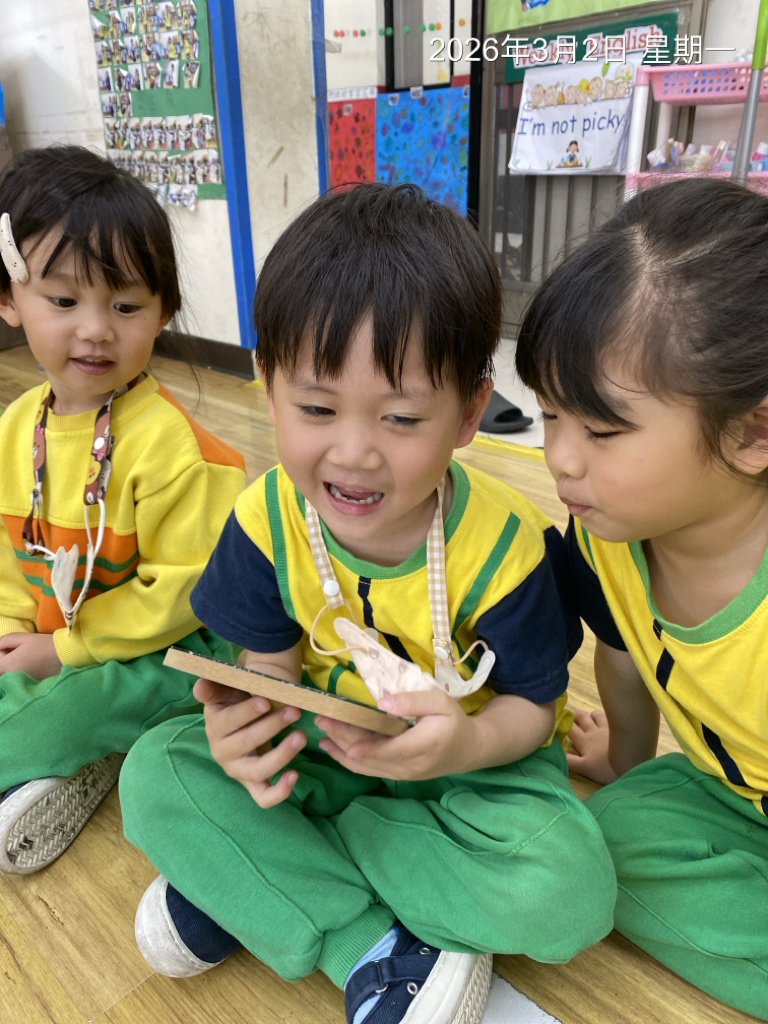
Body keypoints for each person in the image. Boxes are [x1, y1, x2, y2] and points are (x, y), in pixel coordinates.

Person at [120, 183, 616, 1024]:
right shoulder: (266, 519)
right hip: (329, 748)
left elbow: (533, 711)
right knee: (156, 772)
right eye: (316, 408)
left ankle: (269, 875)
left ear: (469, 413)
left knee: (569, 893)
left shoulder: (509, 548)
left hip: (473, 770)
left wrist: (466, 743)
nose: (353, 453)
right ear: (267, 385)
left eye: (400, 418)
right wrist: (246, 731)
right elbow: (268, 671)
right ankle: (368, 941)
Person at [514, 176, 768, 1021]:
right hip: (728, 790)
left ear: (753, 431)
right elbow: (621, 653)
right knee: (599, 842)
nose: (561, 458)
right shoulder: (607, 538)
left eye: (601, 429)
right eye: (549, 416)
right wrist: (627, 759)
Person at [0, 145, 246, 875]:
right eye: (63, 301)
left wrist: (62, 653)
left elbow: (180, 598)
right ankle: (71, 745)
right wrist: (15, 631)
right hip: (67, 641)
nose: (96, 329)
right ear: (9, 298)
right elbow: (10, 554)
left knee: (32, 720)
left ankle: (85, 743)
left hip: (173, 655)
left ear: (164, 310)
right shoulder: (15, 427)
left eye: (127, 305)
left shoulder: (178, 449)